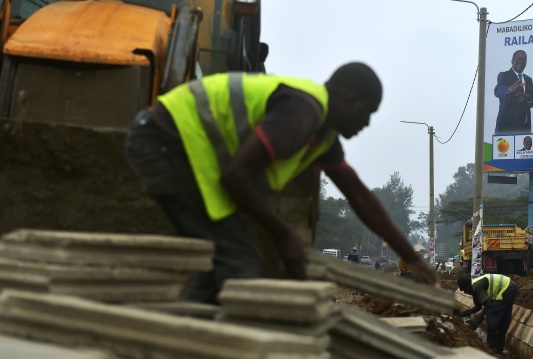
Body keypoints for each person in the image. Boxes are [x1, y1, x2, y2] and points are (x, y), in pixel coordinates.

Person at [125, 62, 439, 304]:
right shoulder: (301, 114)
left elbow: (359, 196)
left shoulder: (322, 135)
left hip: (171, 147)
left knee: (224, 260)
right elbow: (236, 176)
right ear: (350, 98)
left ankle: (186, 341)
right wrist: (284, 234)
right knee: (240, 260)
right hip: (163, 143)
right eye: (367, 113)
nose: (367, 123)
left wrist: (412, 258)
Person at [455, 275, 519, 354]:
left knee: (492, 313)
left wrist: (478, 319)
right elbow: (478, 307)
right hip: (510, 288)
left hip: (506, 289)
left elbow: (487, 304)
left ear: (468, 286)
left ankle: (491, 347)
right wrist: (463, 313)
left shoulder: (477, 286)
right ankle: (499, 350)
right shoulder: (475, 288)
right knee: (503, 319)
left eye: (465, 290)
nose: (465, 292)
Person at [494, 50, 533, 135]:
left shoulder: (528, 79)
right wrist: (509, 89)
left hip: (524, 129)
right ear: (512, 60)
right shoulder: (504, 75)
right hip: (506, 129)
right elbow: (497, 90)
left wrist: (527, 97)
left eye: (524, 60)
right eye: (518, 59)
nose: (521, 62)